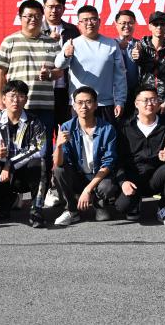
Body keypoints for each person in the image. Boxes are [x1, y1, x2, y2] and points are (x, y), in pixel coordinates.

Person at [0, 80, 47, 227]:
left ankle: (36, 210)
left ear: (26, 99)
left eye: (20, 96)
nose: (15, 100)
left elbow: (39, 149)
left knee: (40, 164)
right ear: (4, 98)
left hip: (23, 172)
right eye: (12, 96)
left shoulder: (35, 122)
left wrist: (10, 164)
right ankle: (7, 202)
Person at [0, 0, 62, 139]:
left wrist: (49, 74)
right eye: (29, 16)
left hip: (44, 106)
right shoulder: (10, 41)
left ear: (42, 17)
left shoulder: (52, 43)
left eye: (37, 16)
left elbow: (59, 72)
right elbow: (0, 74)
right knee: (16, 146)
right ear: (20, 18)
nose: (33, 19)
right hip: (16, 106)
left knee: (43, 147)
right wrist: (1, 103)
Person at [114, 87, 165, 225]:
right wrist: (123, 182)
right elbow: (118, 160)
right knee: (122, 207)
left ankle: (164, 207)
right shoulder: (125, 127)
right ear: (136, 103)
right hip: (133, 179)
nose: (150, 104)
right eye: (145, 100)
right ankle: (136, 202)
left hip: (156, 177)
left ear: (159, 103)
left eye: (153, 100)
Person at [53, 86, 119, 226]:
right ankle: (71, 210)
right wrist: (58, 146)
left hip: (98, 176)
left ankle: (98, 203)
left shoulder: (107, 129)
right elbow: (58, 163)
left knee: (108, 186)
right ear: (74, 106)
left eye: (88, 102)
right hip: (77, 174)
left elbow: (108, 163)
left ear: (95, 105)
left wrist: (87, 190)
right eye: (79, 102)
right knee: (58, 170)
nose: (84, 106)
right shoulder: (66, 127)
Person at [55, 5, 128, 125]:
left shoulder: (111, 44)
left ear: (99, 22)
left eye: (93, 19)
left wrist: (120, 101)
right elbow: (59, 65)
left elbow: (120, 76)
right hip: (79, 105)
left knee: (105, 136)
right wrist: (66, 55)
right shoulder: (72, 43)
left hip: (105, 104)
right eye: (85, 20)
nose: (89, 23)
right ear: (79, 24)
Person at [132, 11, 165, 117]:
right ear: (150, 26)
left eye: (162, 24)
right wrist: (135, 56)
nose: (159, 27)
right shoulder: (142, 47)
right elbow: (137, 60)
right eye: (155, 24)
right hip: (145, 102)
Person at [42, 0, 80, 135]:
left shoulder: (72, 30)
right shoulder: (37, 30)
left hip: (65, 90)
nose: (54, 11)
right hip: (44, 90)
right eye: (50, 7)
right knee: (43, 133)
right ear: (44, 8)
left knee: (66, 132)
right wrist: (48, 41)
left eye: (58, 7)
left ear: (64, 8)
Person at [114, 9, 140, 101]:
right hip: (115, 93)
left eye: (130, 23)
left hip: (136, 93)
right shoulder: (110, 45)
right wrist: (117, 47)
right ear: (116, 24)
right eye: (123, 23)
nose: (127, 26)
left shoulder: (141, 44)